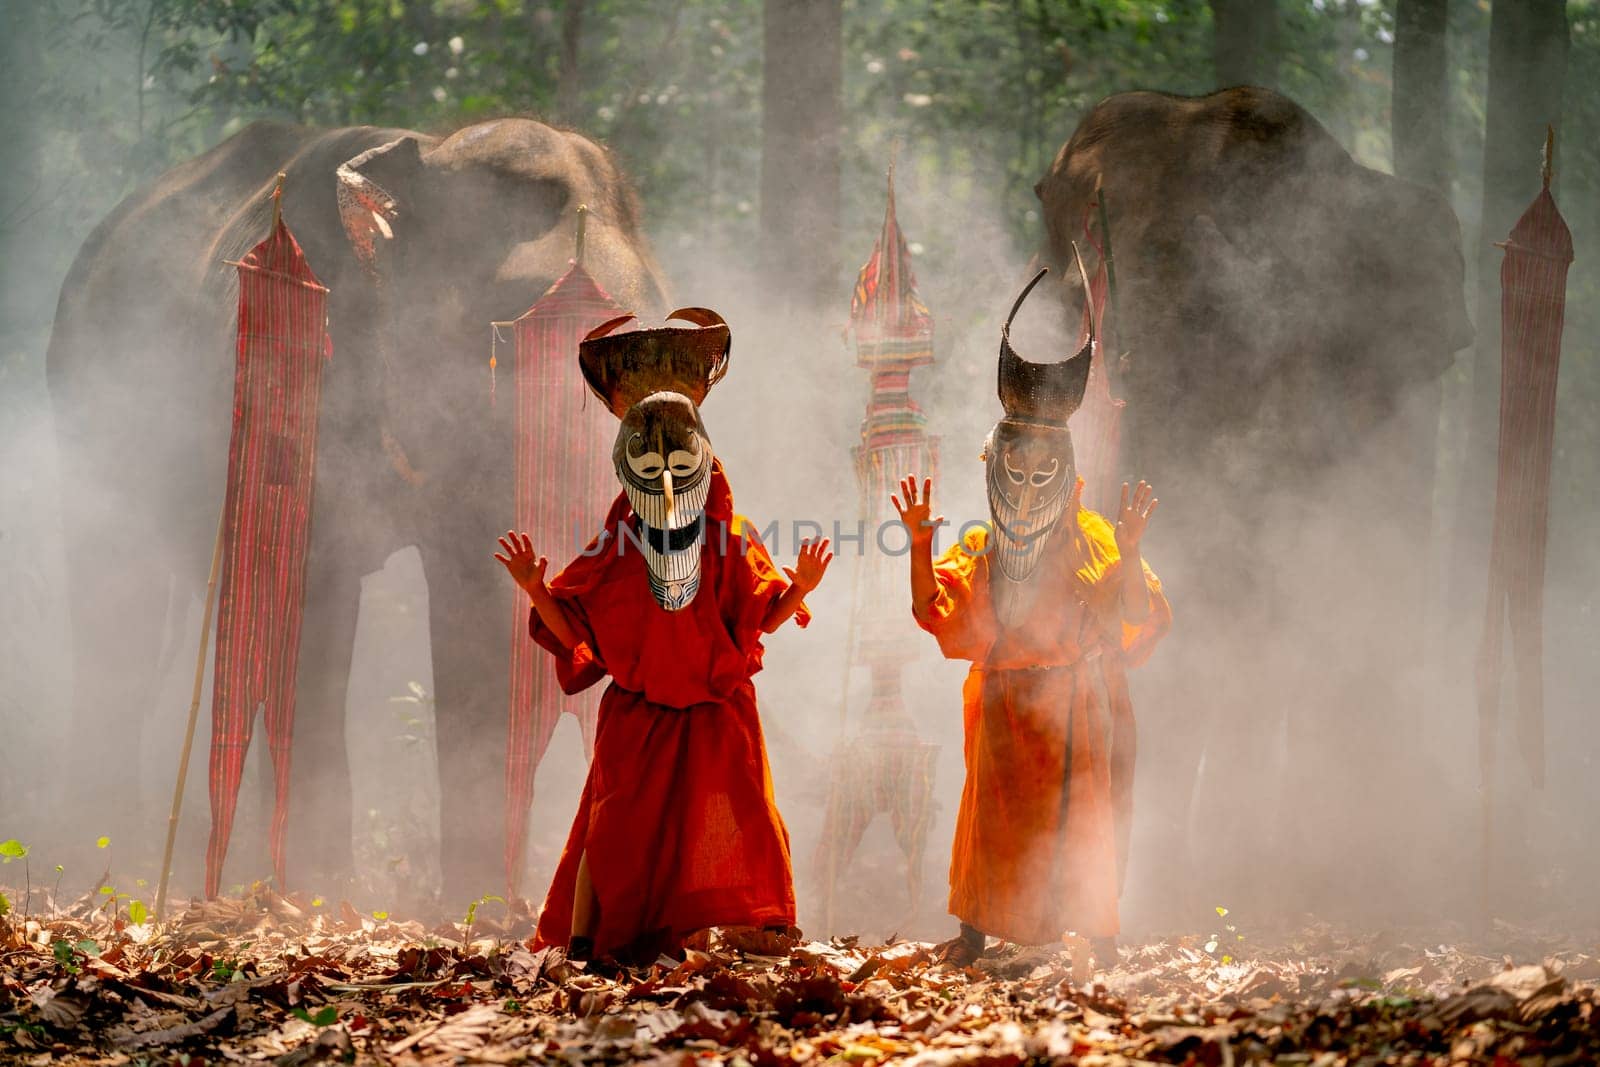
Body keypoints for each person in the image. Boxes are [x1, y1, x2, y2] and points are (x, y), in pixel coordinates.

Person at [495, 307, 830, 963]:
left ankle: (745, 934)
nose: (667, 475)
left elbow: (758, 615)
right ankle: (588, 944)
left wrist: (802, 589)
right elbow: (581, 636)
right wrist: (536, 589)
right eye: (648, 458)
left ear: (702, 454)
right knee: (610, 825)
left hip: (715, 716)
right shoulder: (622, 538)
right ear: (627, 466)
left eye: (679, 455)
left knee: (742, 824)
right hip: (639, 718)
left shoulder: (726, 530)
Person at [895, 266, 1170, 969]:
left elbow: (1136, 611)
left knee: (1086, 825)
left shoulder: (1096, 537)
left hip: (1078, 708)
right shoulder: (982, 548)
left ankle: (1100, 938)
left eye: (1040, 474)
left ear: (1068, 473)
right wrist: (921, 545)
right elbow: (936, 612)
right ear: (992, 468)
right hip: (1005, 705)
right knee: (991, 828)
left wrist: (1132, 553)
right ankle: (975, 934)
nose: (1024, 487)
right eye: (1012, 473)